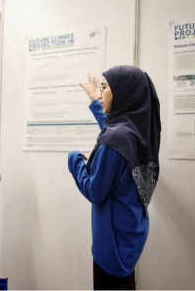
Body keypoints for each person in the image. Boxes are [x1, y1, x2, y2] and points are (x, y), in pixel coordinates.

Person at [69, 67, 161, 290]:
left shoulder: (116, 139)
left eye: (104, 88)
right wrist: (93, 100)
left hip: (111, 247)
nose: (100, 95)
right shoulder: (139, 130)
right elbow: (111, 130)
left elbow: (94, 191)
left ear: (123, 93)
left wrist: (75, 161)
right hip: (130, 235)